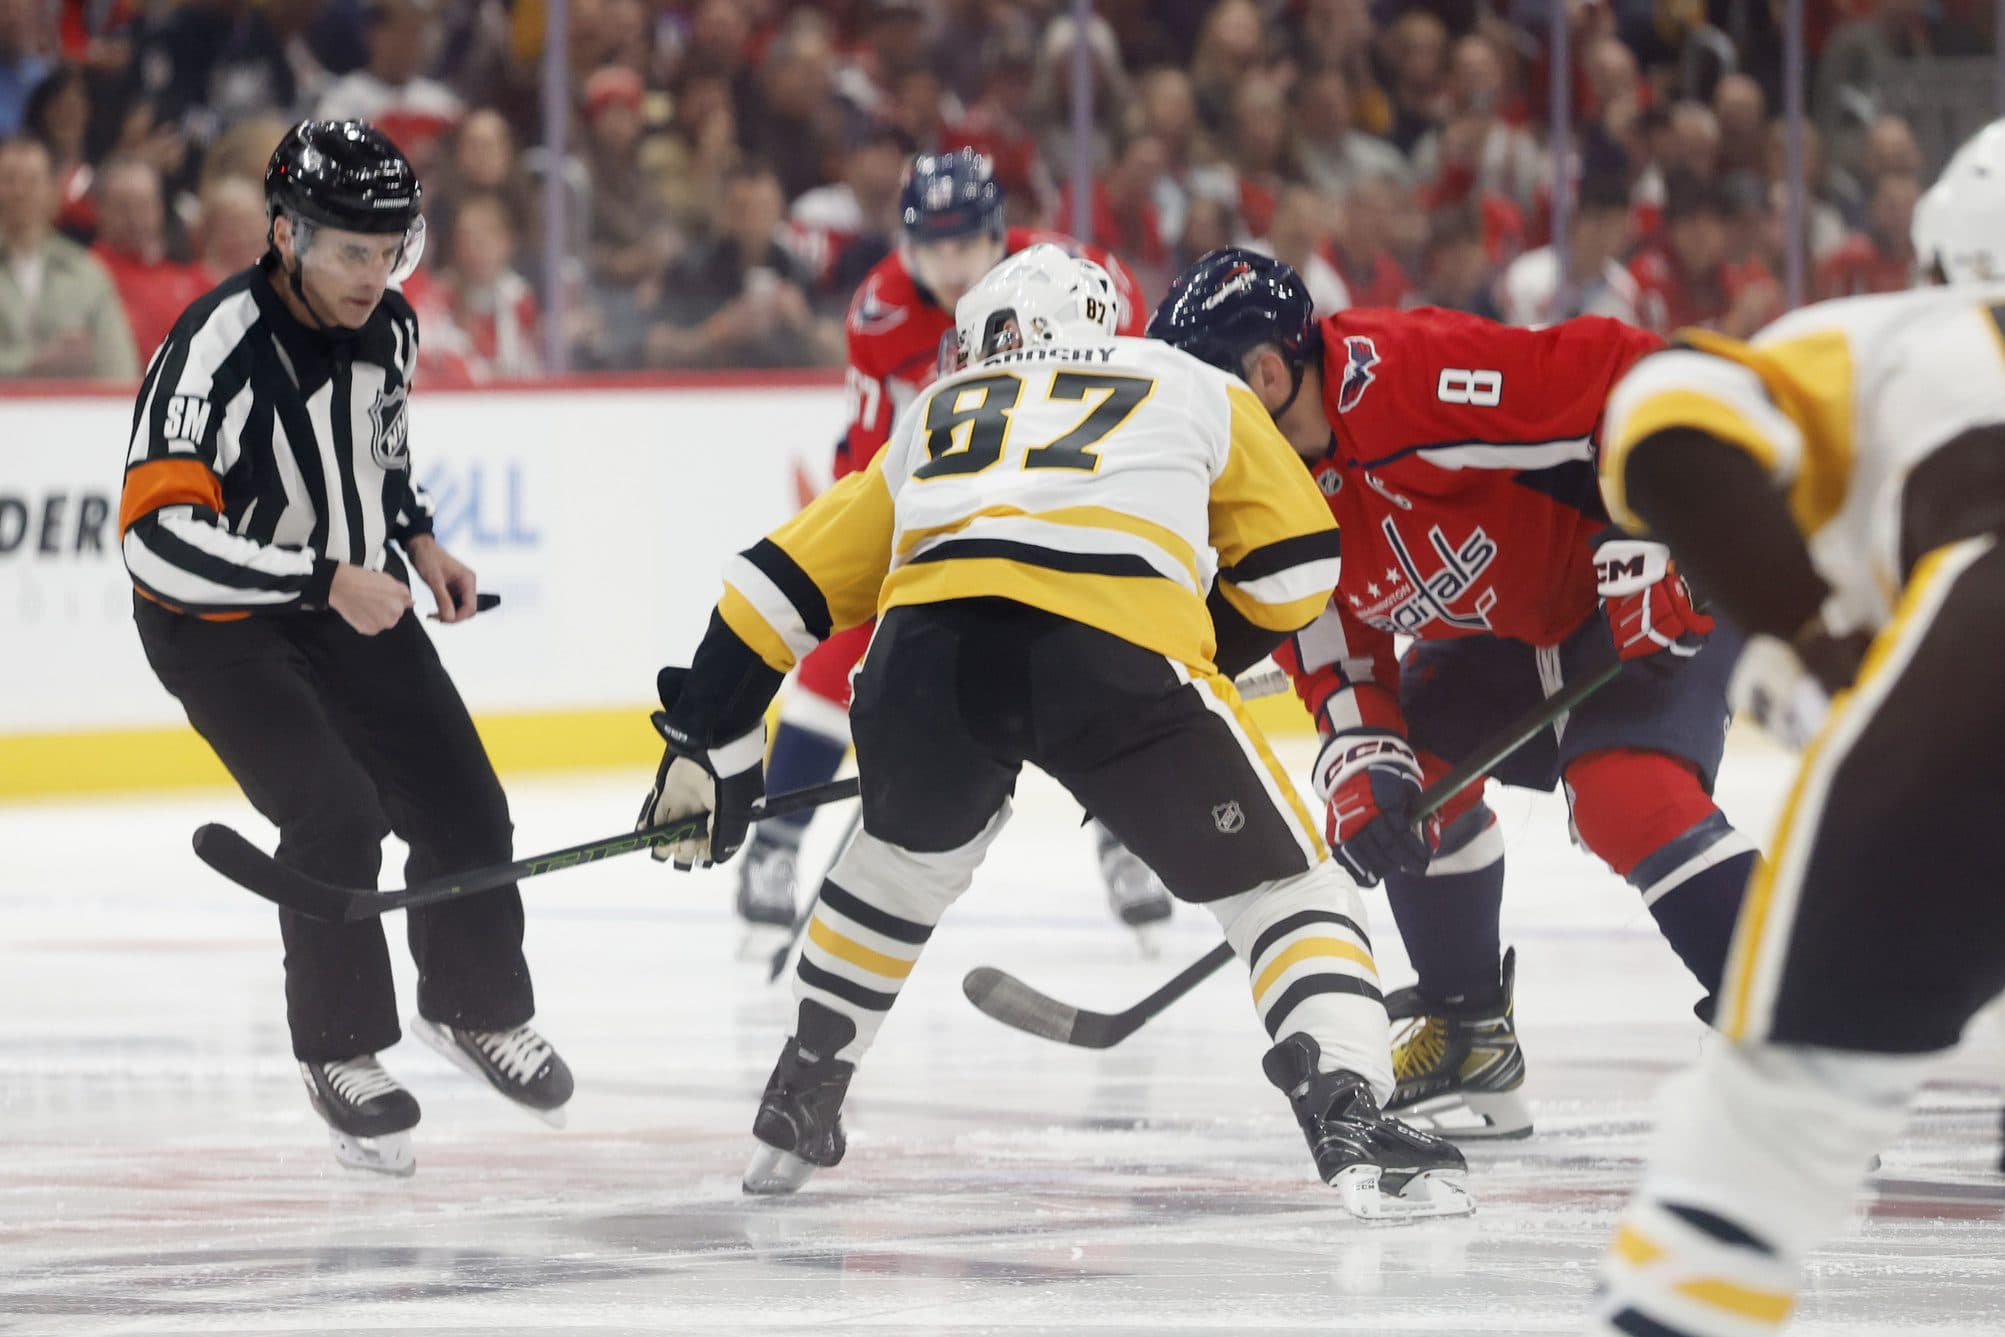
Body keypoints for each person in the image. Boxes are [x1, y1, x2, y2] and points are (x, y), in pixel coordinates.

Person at [635, 244, 1471, 1220]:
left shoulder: (932, 413)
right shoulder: (1185, 380)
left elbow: (771, 590)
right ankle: (1347, 1105)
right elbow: (1296, 564)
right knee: (1283, 884)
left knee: (896, 865)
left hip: (921, 658)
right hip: (1118, 648)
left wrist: (710, 744)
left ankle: (802, 1088)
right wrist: (1187, 652)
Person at [1150, 249, 1758, 1141]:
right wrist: (1363, 756)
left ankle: (1789, 1024)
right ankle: (1468, 1027)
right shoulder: (1267, 499)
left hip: (1641, 588)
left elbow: (1643, 377)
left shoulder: (1402, 382)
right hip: (1508, 632)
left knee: (1623, 793)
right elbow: (1338, 655)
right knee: (1404, 791)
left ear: (1269, 376)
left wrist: (1648, 537)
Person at [1585, 120, 2005, 1337]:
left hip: (1980, 639)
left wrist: (1803, 634)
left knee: (1763, 1141)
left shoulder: (1904, 330)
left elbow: (1665, 423)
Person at [119, 120, 571, 1177]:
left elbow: (384, 459)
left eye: (394, 249)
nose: (377, 275)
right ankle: (340, 1046)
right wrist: (322, 577)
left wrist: (417, 543)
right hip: (218, 623)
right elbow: (154, 541)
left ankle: (471, 1005)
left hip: (350, 594)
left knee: (464, 801)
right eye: (352, 251)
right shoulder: (211, 350)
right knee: (334, 811)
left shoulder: (392, 329)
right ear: (285, 235)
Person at [735, 147, 1172, 949]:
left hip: (1055, 508)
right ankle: (774, 844)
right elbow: (871, 454)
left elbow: (1138, 406)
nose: (943, 265)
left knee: (1104, 659)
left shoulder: (1076, 280)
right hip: (928, 509)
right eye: (926, 247)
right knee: (838, 655)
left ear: (997, 234)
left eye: (960, 245)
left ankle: (1126, 838)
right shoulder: (880, 311)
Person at [0, 135, 135, 379]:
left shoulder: (88, 272)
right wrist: (34, 365)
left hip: (75, 413)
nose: (19, 192)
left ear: (53, 191)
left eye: (31, 181)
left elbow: (119, 368)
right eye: (9, 180)